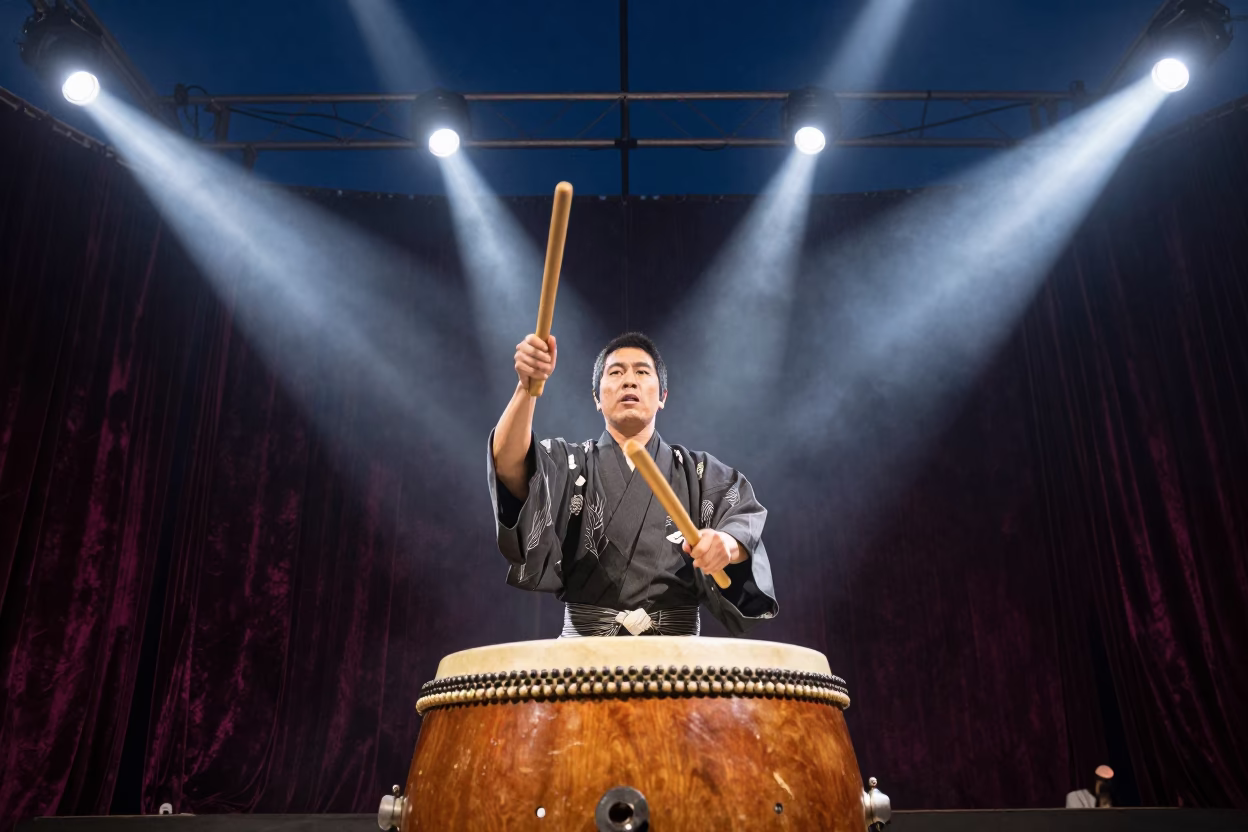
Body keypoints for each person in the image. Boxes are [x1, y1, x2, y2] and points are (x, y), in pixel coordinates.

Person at [488, 331, 778, 637]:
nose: (629, 381)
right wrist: (527, 388)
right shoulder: (570, 464)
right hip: (584, 656)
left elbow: (741, 518)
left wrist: (726, 546)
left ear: (662, 396)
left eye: (642, 372)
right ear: (597, 398)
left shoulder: (698, 472)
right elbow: (510, 464)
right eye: (615, 373)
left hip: (677, 658)